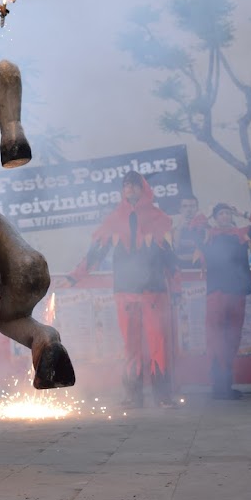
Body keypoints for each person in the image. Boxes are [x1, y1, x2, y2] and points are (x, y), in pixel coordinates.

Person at [64, 171, 179, 409]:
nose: (130, 189)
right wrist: (74, 277)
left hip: (154, 292)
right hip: (125, 291)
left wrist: (176, 290)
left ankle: (163, 395)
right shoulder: (114, 219)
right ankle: (133, 396)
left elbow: (171, 260)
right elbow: (96, 254)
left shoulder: (160, 218)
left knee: (158, 344)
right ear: (123, 190)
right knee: (130, 346)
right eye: (127, 185)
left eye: (135, 185)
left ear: (144, 189)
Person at [200, 203, 251, 399]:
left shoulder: (241, 234)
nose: (225, 216)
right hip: (217, 294)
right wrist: (206, 216)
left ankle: (226, 386)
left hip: (237, 293)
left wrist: (242, 212)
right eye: (221, 214)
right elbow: (193, 227)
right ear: (215, 217)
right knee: (216, 339)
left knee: (232, 338)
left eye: (228, 213)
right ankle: (217, 386)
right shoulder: (208, 234)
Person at [172, 194, 208, 266]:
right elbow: (175, 248)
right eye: (185, 206)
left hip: (201, 267)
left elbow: (206, 250)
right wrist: (179, 228)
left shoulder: (205, 229)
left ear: (197, 209)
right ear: (180, 209)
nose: (189, 210)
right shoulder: (173, 230)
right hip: (180, 268)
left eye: (192, 206)